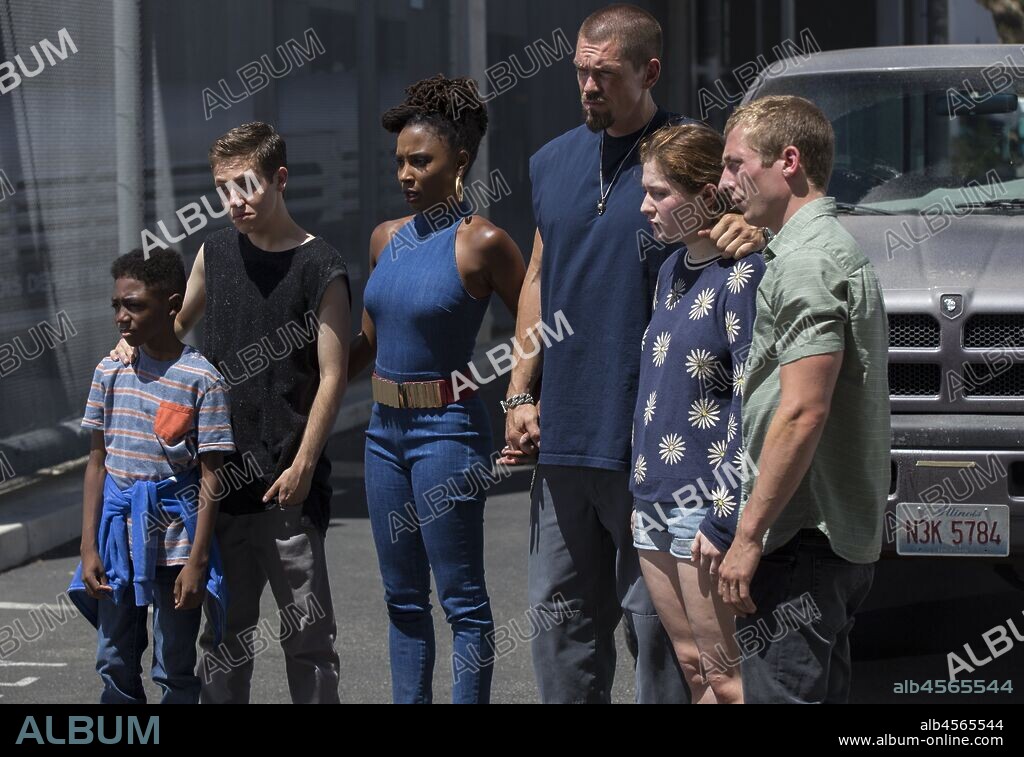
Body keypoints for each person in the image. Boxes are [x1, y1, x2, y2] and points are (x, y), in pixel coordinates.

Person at [502, 4, 767, 703]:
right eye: (581, 72)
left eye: (606, 75)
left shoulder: (683, 159)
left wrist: (745, 228)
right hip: (565, 436)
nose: (589, 87)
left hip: (657, 447)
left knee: (660, 636)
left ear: (649, 71)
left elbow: (738, 224)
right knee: (560, 627)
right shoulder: (552, 161)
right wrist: (520, 389)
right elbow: (537, 274)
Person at [112, 122, 351, 704]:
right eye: (223, 188)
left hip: (287, 490)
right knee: (223, 642)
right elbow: (174, 329)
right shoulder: (214, 252)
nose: (234, 201)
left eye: (247, 185)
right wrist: (133, 340)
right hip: (217, 483)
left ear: (280, 179)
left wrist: (302, 466)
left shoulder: (321, 265)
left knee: (310, 642)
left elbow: (333, 376)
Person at [347, 75, 525, 704]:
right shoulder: (385, 239)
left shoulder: (482, 242)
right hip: (381, 436)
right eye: (399, 161)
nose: (406, 173)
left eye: (420, 160)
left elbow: (537, 328)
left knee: (462, 600)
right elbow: (366, 344)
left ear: (461, 161)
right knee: (401, 598)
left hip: (448, 434)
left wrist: (525, 404)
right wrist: (303, 370)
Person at [716, 95, 890, 704]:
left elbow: (802, 409)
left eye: (735, 163)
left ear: (788, 162)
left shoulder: (807, 261)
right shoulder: (809, 249)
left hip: (800, 543)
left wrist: (749, 536)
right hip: (820, 540)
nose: (723, 183)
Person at [630, 123, 765, 704]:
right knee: (690, 665)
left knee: (727, 679)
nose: (646, 206)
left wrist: (726, 514)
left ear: (708, 194)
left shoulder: (744, 274)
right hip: (652, 497)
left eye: (660, 192)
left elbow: (749, 400)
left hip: (704, 503)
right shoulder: (669, 270)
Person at [69, 248, 235, 704]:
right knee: (114, 658)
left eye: (135, 305)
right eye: (117, 306)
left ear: (172, 304)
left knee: (175, 665)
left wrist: (197, 560)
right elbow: (97, 462)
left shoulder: (201, 379)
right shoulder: (110, 372)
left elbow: (211, 476)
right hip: (116, 539)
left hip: (177, 546)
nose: (122, 317)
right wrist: (88, 547)